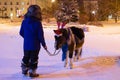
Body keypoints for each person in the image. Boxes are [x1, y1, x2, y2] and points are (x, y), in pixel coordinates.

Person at [19, 5, 47, 77]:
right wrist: (44, 44)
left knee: (26, 56)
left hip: (26, 45)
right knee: (34, 58)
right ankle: (32, 72)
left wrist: (27, 38)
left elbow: (21, 32)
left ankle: (24, 69)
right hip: (35, 45)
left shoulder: (24, 22)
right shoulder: (38, 23)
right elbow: (40, 35)